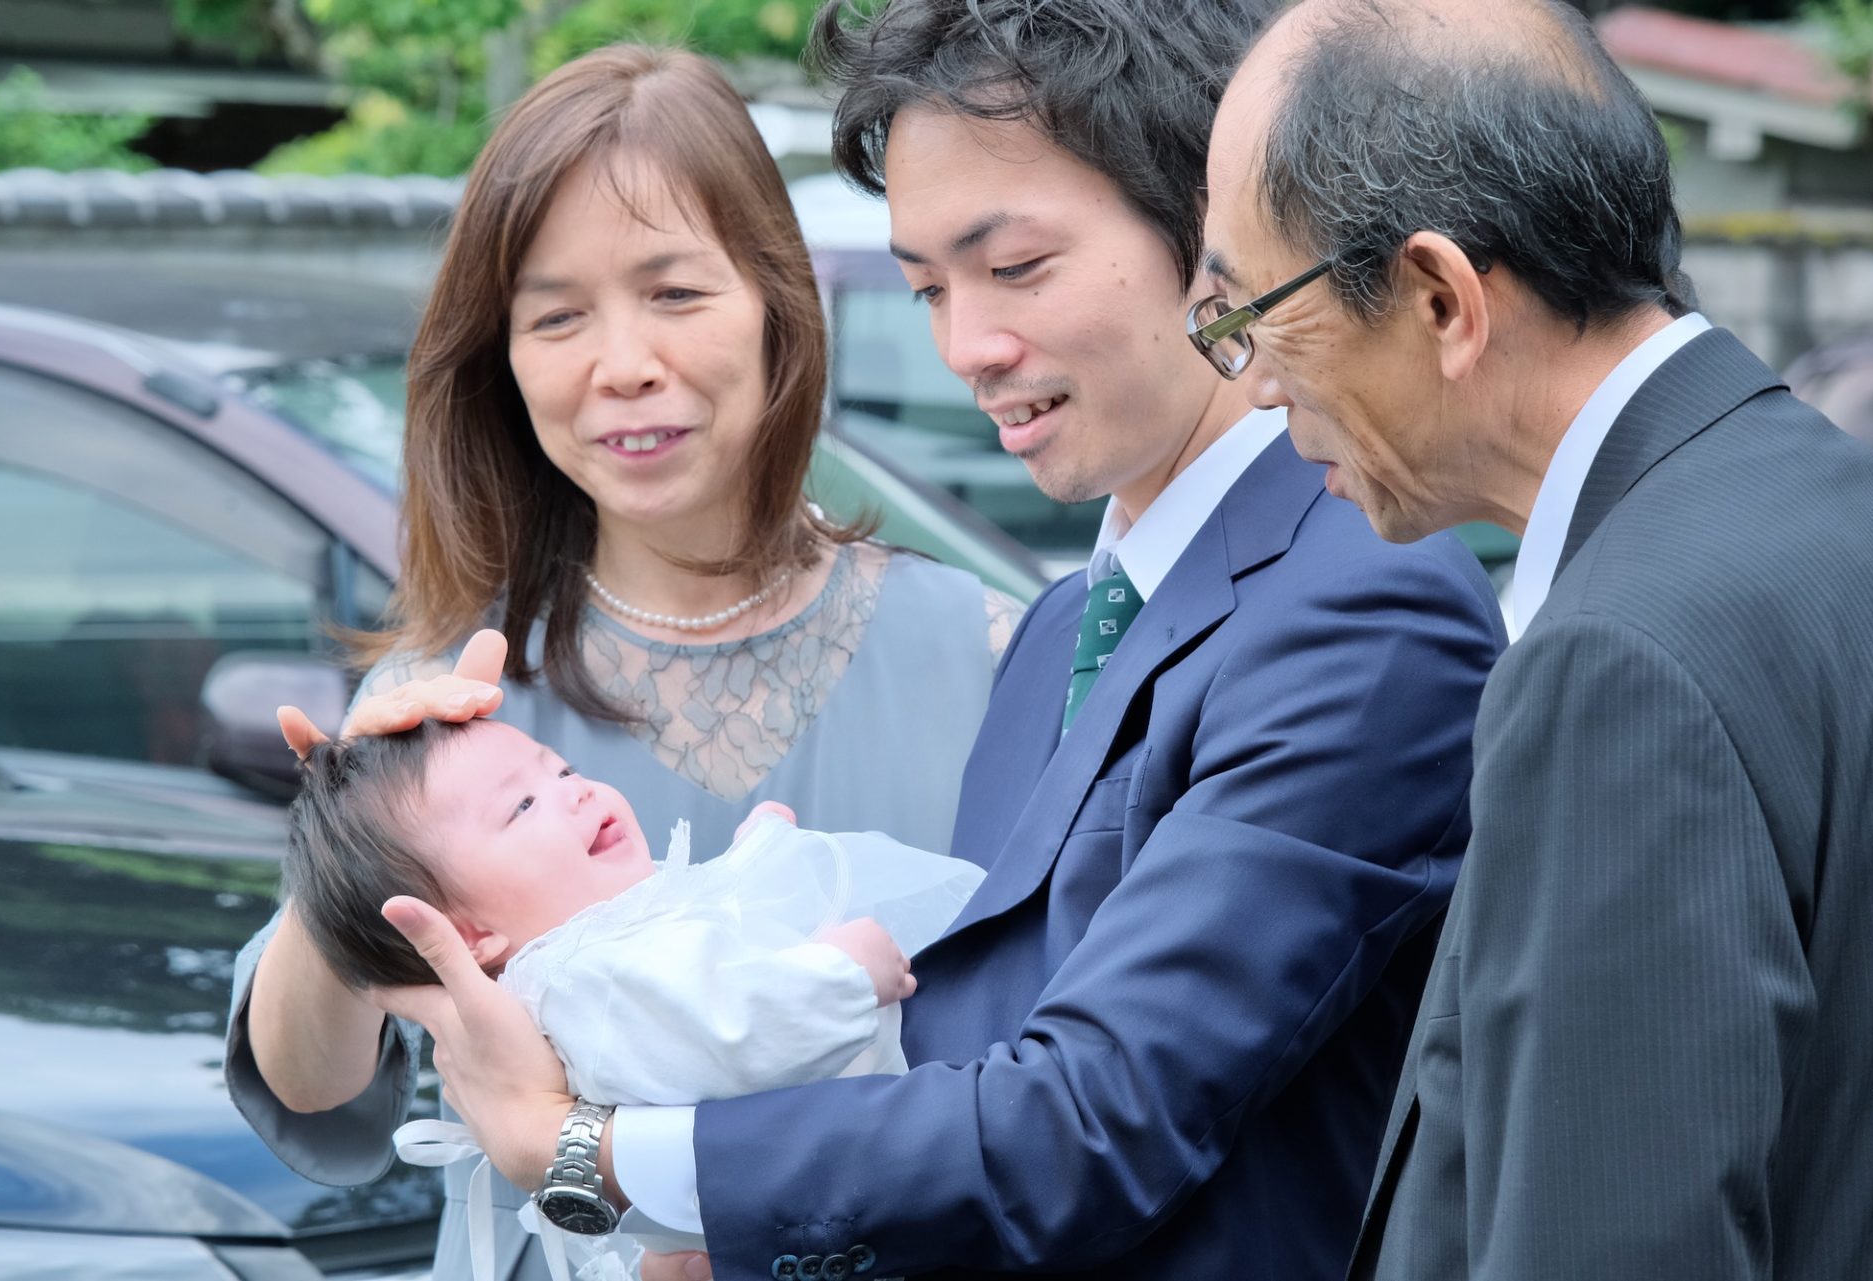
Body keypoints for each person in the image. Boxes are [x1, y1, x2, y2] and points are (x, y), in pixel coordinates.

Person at [364, 3, 1507, 1279]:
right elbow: (963, 1073)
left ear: (1216, 231)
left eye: (1015, 268)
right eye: (926, 289)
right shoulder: (1071, 627)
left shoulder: (1363, 603)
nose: (967, 346)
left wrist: (580, 1149)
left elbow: (1091, 1120)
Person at [225, 45, 1019, 1281]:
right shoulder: (449, 696)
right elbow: (315, 1084)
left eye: (675, 293)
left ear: (775, 303)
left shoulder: (986, 652)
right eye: (555, 317)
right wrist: (341, 865)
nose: (621, 363)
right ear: (503, 362)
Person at [1202, 1, 1873, 1277]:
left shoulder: (1616, 662)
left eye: (1253, 311)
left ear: (1440, 298)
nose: (1249, 379)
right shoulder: (1839, 503)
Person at [283, 715, 983, 1279]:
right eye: (522, 806)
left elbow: (702, 941)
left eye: (562, 770)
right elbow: (724, 1034)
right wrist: (841, 976)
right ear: (470, 933)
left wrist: (755, 861)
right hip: (842, 1204)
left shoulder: (613, 931)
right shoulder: (583, 982)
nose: (576, 791)